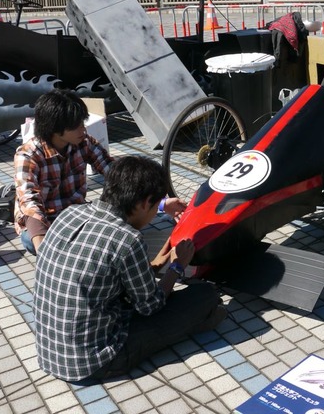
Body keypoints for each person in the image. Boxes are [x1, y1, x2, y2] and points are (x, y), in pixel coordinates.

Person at [33, 155, 227, 381]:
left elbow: (111, 276)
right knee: (204, 295)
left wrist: (160, 261)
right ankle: (196, 321)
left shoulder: (70, 213)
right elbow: (151, 305)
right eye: (156, 205)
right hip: (94, 362)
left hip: (49, 353)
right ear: (145, 203)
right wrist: (177, 266)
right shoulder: (127, 239)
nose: (156, 212)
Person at [14, 89, 185, 255]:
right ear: (55, 129)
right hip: (46, 222)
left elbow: (117, 175)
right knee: (32, 241)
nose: (84, 129)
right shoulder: (28, 155)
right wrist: (44, 251)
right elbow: (30, 204)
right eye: (77, 126)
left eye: (83, 122)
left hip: (78, 216)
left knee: (130, 216)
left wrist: (158, 203)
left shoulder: (84, 143)